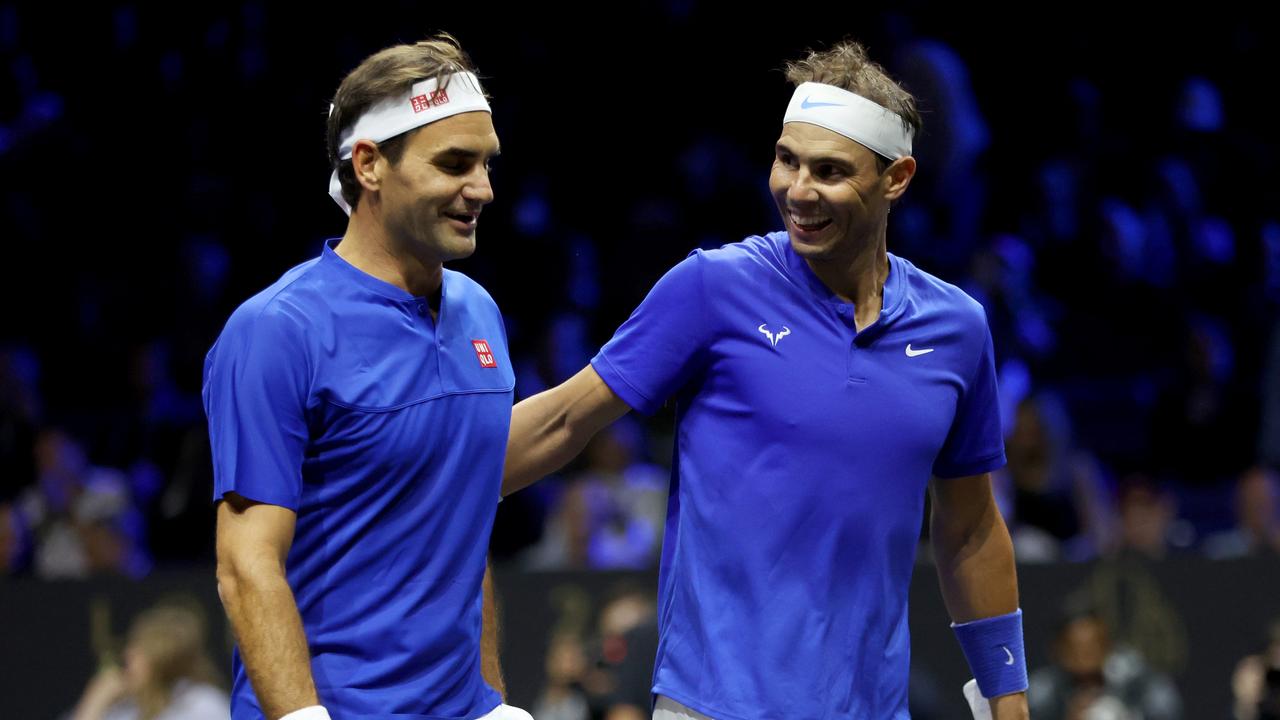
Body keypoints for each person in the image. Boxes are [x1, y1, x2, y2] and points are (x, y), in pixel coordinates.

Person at [504, 40, 1028, 719]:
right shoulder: (712, 288)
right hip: (709, 706)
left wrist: (1006, 698)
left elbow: (969, 530)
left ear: (895, 179)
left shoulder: (957, 330)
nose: (798, 190)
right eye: (787, 160)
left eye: (830, 170)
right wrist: (409, 489)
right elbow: (564, 419)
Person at [204, 34, 528, 720]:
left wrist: (491, 699)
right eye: (454, 164)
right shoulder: (276, 331)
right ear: (369, 164)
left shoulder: (480, 312)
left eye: (487, 163)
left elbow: (463, 525)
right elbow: (245, 566)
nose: (483, 189)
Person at [71, 602, 229, 720]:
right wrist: (97, 700)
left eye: (141, 648)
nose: (128, 655)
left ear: (163, 658)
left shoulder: (203, 705)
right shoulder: (127, 708)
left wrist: (95, 702)